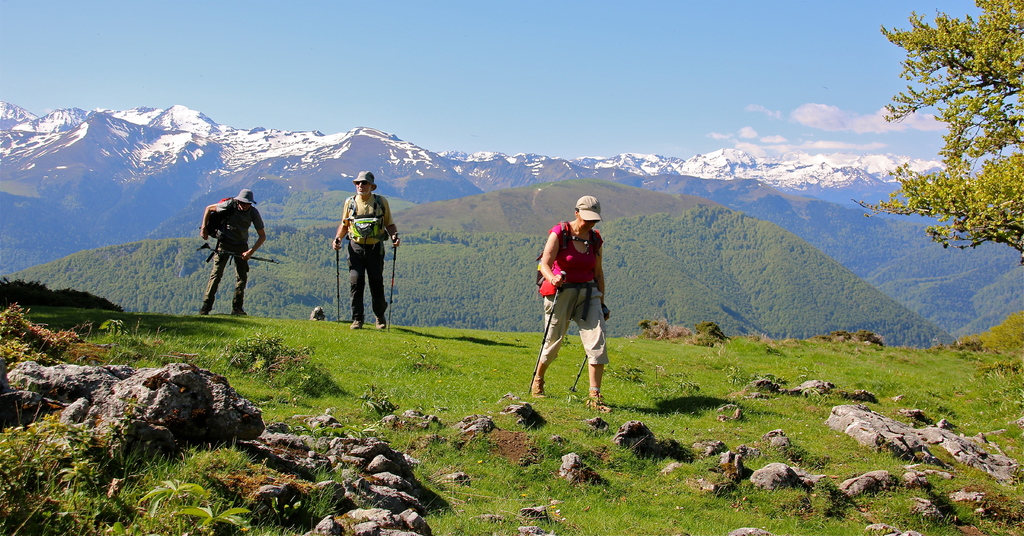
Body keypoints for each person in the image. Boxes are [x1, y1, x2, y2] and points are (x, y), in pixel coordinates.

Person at [532, 195, 611, 411]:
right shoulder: (560, 232)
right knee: (553, 340)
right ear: (576, 213)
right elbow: (545, 264)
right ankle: (538, 379)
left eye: (593, 220)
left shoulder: (595, 239)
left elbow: (598, 273)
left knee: (597, 341)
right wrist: (552, 278)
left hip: (588, 293)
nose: (590, 223)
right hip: (561, 292)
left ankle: (594, 396)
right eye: (586, 218)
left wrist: (602, 303)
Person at [332, 171, 400, 329]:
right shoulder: (350, 202)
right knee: (356, 282)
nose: (360, 185)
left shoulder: (381, 202)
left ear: (371, 186)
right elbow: (345, 224)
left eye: (364, 183)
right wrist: (338, 239)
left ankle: (380, 317)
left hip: (375, 248)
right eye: (358, 183)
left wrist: (394, 237)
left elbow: (389, 224)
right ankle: (357, 319)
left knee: (376, 282)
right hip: (355, 248)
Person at [199, 188, 266, 315]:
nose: (244, 205)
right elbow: (208, 208)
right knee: (216, 275)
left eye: (247, 203)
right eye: (242, 203)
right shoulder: (229, 205)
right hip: (224, 243)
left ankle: (237, 308)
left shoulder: (253, 213)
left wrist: (250, 252)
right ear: (238, 201)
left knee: (242, 277)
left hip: (242, 246)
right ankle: (206, 307)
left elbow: (262, 236)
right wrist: (204, 228)